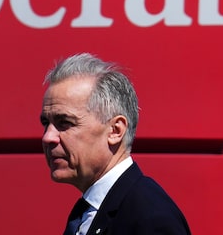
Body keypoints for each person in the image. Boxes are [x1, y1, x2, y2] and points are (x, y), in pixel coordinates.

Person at [40, 53, 191, 235]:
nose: (48, 137)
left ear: (115, 131)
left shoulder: (150, 218)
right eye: (46, 123)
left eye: (65, 123)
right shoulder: (87, 212)